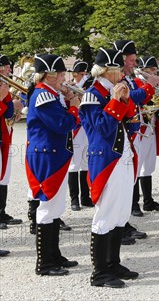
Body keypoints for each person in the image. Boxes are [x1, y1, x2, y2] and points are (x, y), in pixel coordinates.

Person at [79, 48, 140, 287]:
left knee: (120, 213)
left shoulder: (111, 91)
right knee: (105, 215)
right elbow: (101, 129)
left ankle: (113, 263)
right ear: (107, 71)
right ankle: (100, 272)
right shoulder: (92, 95)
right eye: (118, 71)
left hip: (122, 156)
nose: (122, 74)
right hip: (106, 159)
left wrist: (124, 101)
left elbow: (128, 123)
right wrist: (116, 101)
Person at [26, 54, 80, 276]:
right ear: (48, 75)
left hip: (54, 154)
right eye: (59, 74)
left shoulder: (51, 94)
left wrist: (67, 99)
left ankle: (54, 255)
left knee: (56, 207)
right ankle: (45, 263)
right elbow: (61, 123)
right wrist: (75, 107)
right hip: (47, 155)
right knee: (48, 207)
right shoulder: (43, 96)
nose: (63, 77)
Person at [113, 39, 158, 243]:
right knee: (123, 180)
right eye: (131, 60)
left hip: (134, 131)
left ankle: (124, 221)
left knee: (130, 176)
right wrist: (149, 87)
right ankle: (119, 225)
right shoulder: (117, 78)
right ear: (122, 60)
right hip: (125, 133)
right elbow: (131, 98)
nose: (134, 63)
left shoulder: (127, 77)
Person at [134, 56, 159, 214]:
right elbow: (138, 101)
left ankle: (148, 201)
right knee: (137, 166)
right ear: (145, 70)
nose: (155, 72)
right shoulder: (136, 83)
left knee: (148, 166)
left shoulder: (152, 83)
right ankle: (133, 204)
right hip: (140, 128)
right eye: (153, 70)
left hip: (152, 126)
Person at [66, 61, 94, 212]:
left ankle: (85, 197)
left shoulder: (89, 87)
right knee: (74, 164)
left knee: (85, 163)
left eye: (86, 74)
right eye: (81, 74)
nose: (84, 76)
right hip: (75, 128)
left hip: (86, 127)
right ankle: (74, 199)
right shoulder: (69, 87)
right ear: (75, 74)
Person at [0, 54, 24, 229]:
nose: (10, 69)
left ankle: (2, 212)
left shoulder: (4, 85)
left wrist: (14, 109)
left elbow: (7, 113)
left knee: (4, 174)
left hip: (4, 133)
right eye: (7, 67)